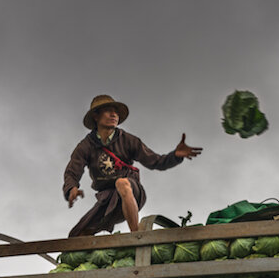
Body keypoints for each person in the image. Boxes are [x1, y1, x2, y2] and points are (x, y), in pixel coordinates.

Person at [63, 94, 201, 237]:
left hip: (132, 192)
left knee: (122, 183)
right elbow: (72, 171)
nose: (113, 115)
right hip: (107, 199)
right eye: (108, 111)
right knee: (77, 235)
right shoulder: (86, 146)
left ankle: (136, 236)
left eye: (116, 112)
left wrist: (175, 155)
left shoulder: (128, 140)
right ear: (96, 116)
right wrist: (72, 188)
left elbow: (156, 161)